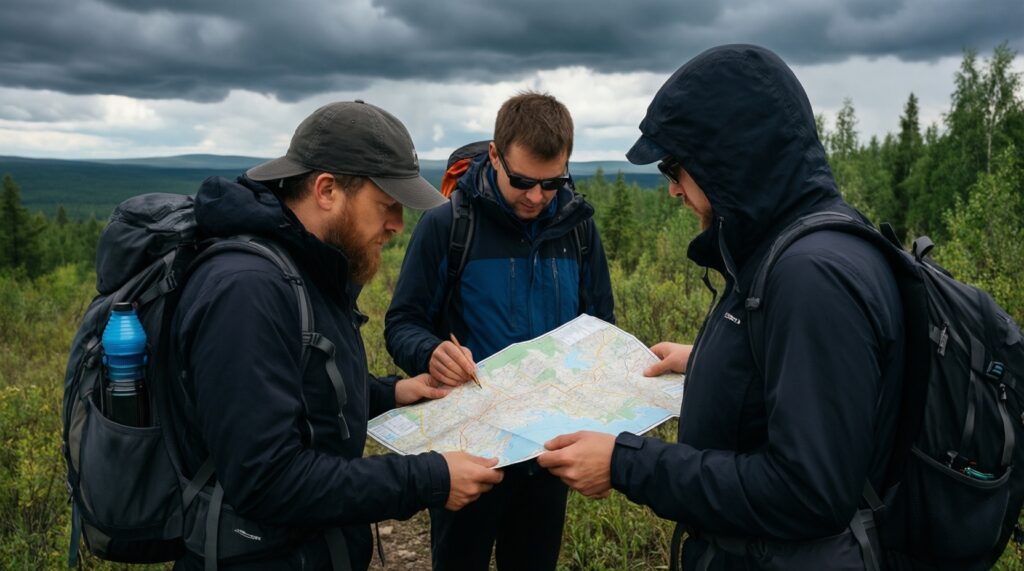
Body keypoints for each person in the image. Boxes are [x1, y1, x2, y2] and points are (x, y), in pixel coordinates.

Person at [538, 44, 906, 569]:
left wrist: (626, 463)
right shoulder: (790, 246)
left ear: (730, 159)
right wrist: (715, 360)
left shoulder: (812, 276)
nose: (671, 189)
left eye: (676, 167)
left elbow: (807, 493)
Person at [168, 100, 504, 570]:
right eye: (386, 205)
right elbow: (266, 479)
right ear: (326, 190)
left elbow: (299, 393)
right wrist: (429, 479)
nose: (396, 226)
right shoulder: (247, 291)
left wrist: (394, 393)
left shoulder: (306, 267)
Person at [384, 92, 615, 570]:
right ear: (495, 155)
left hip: (549, 453)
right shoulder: (447, 225)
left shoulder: (578, 229)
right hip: (468, 453)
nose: (536, 196)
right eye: (523, 181)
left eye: (552, 183)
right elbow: (403, 323)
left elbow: (601, 330)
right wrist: (430, 353)